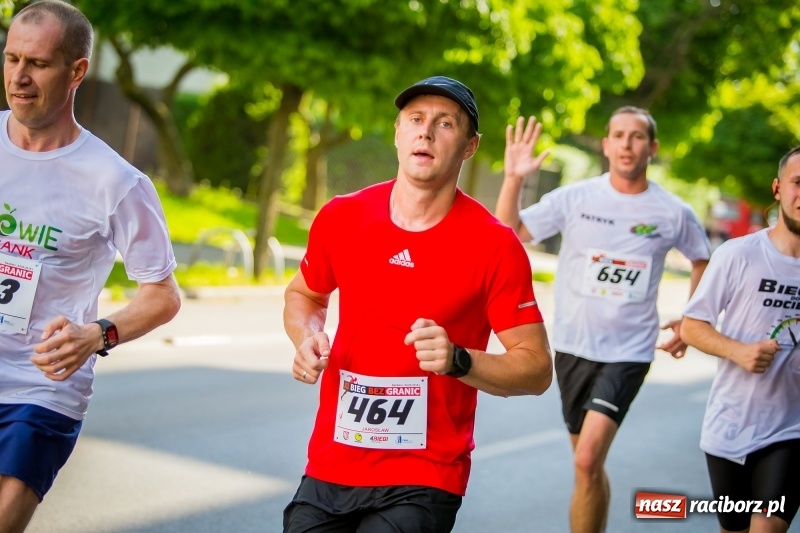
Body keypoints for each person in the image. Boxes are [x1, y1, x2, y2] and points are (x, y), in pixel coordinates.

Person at [282, 75, 552, 532]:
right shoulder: (342, 217)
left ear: (469, 146)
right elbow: (304, 294)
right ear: (398, 132)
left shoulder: (495, 246)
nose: (426, 132)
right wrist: (307, 336)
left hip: (425, 472)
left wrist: (458, 359)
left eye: (445, 123)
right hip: (333, 459)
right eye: (415, 119)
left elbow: (537, 369)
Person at [0, 1, 181, 531]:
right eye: (11, 59)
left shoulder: (115, 181)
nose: (20, 77)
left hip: (41, 390)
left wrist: (95, 335)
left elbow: (163, 295)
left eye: (38, 63)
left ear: (77, 71)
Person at [495, 108, 710, 533]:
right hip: (573, 348)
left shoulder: (672, 211)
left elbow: (702, 259)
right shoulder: (577, 198)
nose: (627, 144)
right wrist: (514, 177)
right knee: (588, 468)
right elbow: (508, 231)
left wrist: (689, 319)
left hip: (628, 352)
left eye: (637, 137)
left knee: (587, 457)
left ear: (652, 148)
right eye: (618, 135)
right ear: (606, 145)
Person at [681, 146, 800, 533]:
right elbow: (692, 325)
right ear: (778, 188)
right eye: (798, 183)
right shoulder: (739, 255)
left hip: (791, 429)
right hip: (730, 427)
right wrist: (739, 351)